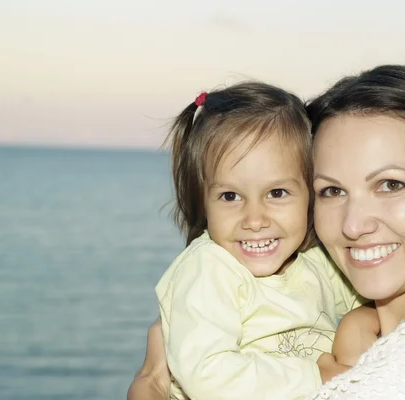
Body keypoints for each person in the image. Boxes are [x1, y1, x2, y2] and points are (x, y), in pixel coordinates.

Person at [128, 65, 405, 399]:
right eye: (332, 190)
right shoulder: (367, 333)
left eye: (390, 184)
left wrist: (149, 386)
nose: (353, 224)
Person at [147, 81, 377, 400]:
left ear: (311, 193)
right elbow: (207, 375)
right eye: (230, 196)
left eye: (277, 193)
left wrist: (358, 319)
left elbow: (379, 302)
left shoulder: (317, 263)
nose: (254, 220)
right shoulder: (210, 269)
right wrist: (317, 375)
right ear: (203, 201)